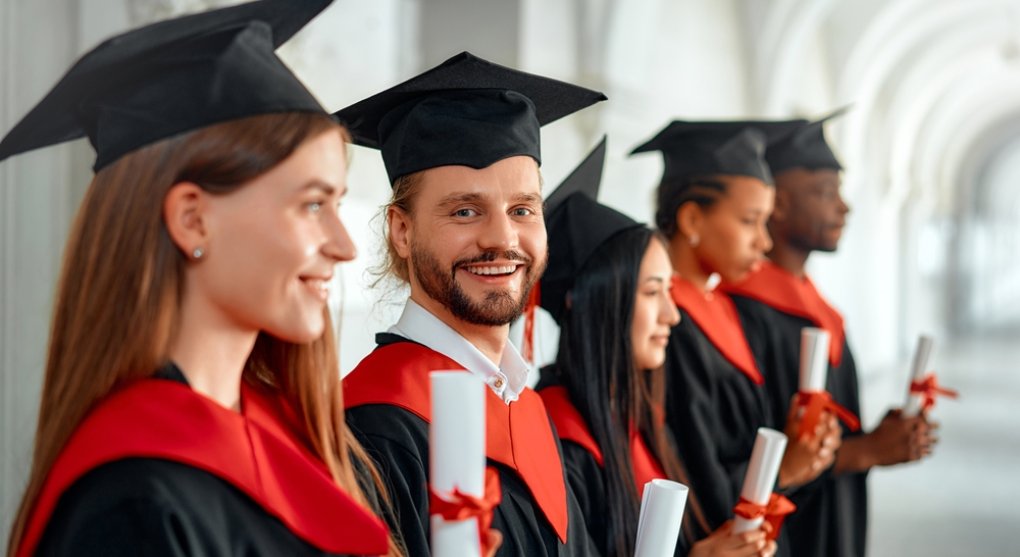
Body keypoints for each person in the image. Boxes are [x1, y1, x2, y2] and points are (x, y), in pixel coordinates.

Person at [1, 1, 399, 555]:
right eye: (311, 205)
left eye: (337, 203)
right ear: (192, 218)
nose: (345, 245)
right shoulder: (133, 502)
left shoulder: (293, 443)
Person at [336, 52, 605, 556]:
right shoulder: (375, 430)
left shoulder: (525, 405)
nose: (502, 238)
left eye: (522, 209)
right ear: (401, 230)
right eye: (465, 210)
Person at [534, 137, 778, 557]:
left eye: (669, 290)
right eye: (652, 292)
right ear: (592, 302)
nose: (672, 314)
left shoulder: (636, 414)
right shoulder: (561, 438)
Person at [723, 113, 937, 557]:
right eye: (824, 192)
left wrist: (876, 440)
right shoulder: (743, 310)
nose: (843, 206)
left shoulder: (816, 308)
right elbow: (745, 452)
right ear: (775, 203)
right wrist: (865, 452)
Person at [630, 122, 844, 550]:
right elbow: (688, 470)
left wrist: (801, 443)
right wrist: (785, 469)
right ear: (692, 218)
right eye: (750, 221)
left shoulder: (722, 305)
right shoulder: (668, 328)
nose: (764, 242)